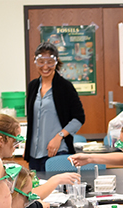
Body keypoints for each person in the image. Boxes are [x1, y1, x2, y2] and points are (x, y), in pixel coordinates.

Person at [24, 43, 85, 172]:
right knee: (37, 190)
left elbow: (79, 118)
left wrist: (60, 136)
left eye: (50, 62)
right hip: (34, 154)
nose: (45, 67)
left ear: (56, 62)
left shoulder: (65, 87)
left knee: (58, 191)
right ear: (35, 61)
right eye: (41, 62)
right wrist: (27, 147)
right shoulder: (32, 86)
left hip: (57, 152)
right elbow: (32, 121)